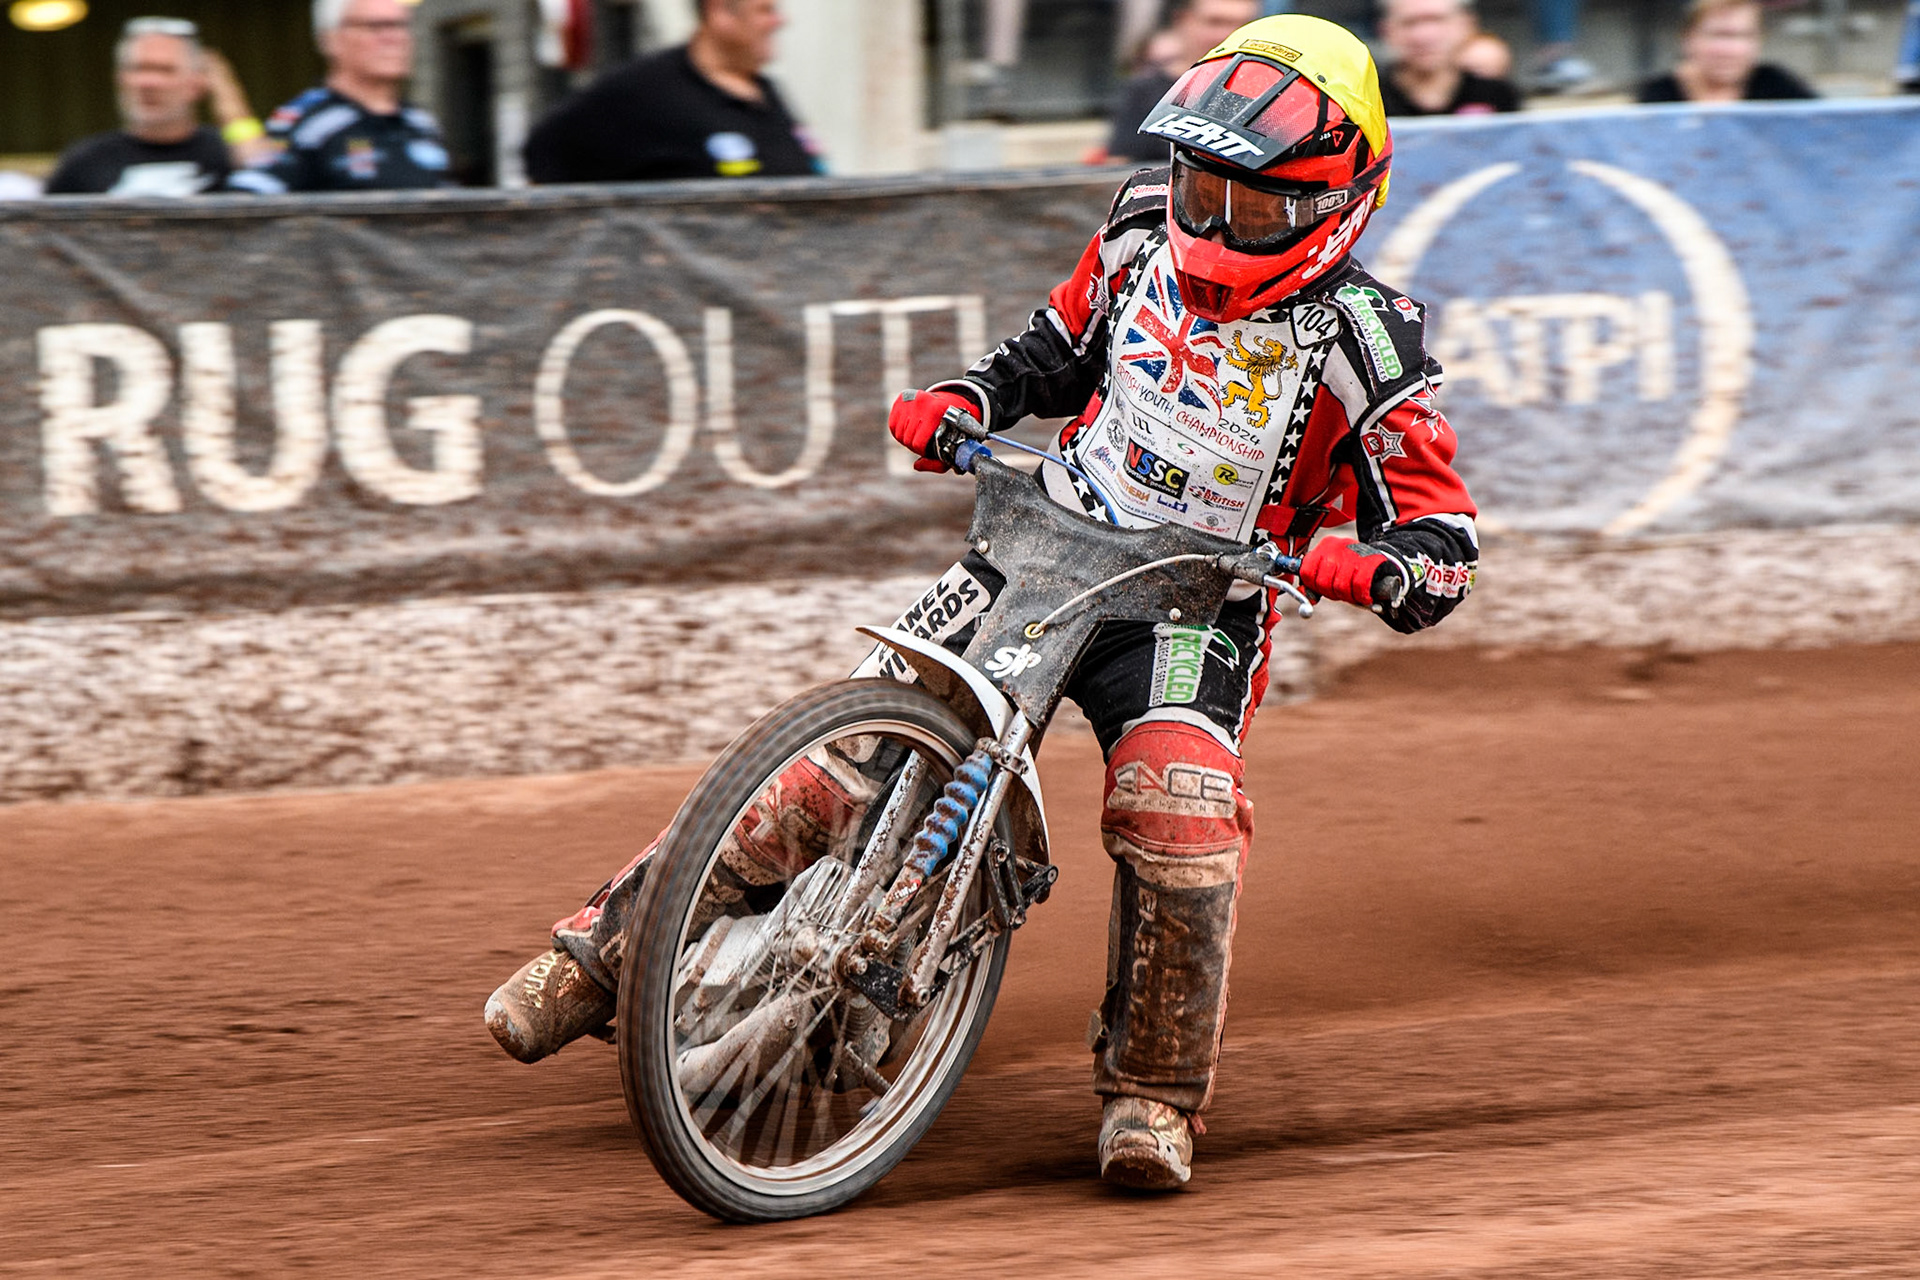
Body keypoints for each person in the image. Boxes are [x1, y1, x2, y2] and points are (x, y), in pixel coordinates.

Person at [486, 14, 1479, 1191]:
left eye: (1250, 205)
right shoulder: (1135, 232)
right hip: (1046, 533)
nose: (1212, 221)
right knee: (840, 750)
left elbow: (1445, 539)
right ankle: (604, 953)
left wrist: (1380, 566)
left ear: (1339, 200)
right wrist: (968, 395)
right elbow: (1054, 351)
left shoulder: (1373, 340)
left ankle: (1153, 1094)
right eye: (1199, 188)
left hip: (1194, 601)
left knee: (1179, 808)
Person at [522, 0, 820, 184]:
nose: (779, 21)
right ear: (719, 11)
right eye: (764, 10)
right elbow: (546, 157)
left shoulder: (765, 93)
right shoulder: (644, 90)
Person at [229, 0, 452, 194]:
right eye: (376, 26)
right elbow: (244, 209)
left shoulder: (421, 122)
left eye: (402, 26)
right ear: (331, 39)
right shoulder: (307, 122)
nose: (394, 38)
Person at [45, 18, 271, 198]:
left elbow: (267, 173)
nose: (148, 83)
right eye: (137, 69)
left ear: (197, 83)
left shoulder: (226, 152)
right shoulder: (86, 160)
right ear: (119, 79)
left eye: (164, 70)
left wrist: (231, 107)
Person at [1100, 0, 1259, 164]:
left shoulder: (1265, 91)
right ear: (1183, 20)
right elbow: (1118, 166)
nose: (1227, 33)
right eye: (1215, 22)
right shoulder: (1144, 89)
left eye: (1243, 25)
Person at [1637, 0, 1816, 103]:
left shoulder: (1777, 86)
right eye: (1717, 35)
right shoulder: (1658, 96)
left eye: (1744, 36)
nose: (1729, 51)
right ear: (1688, 39)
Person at [1377, 0, 1521, 116]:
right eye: (1410, 23)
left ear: (1466, 24)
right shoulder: (1370, 98)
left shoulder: (1496, 94)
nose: (1424, 35)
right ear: (1386, 30)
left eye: (1437, 20)